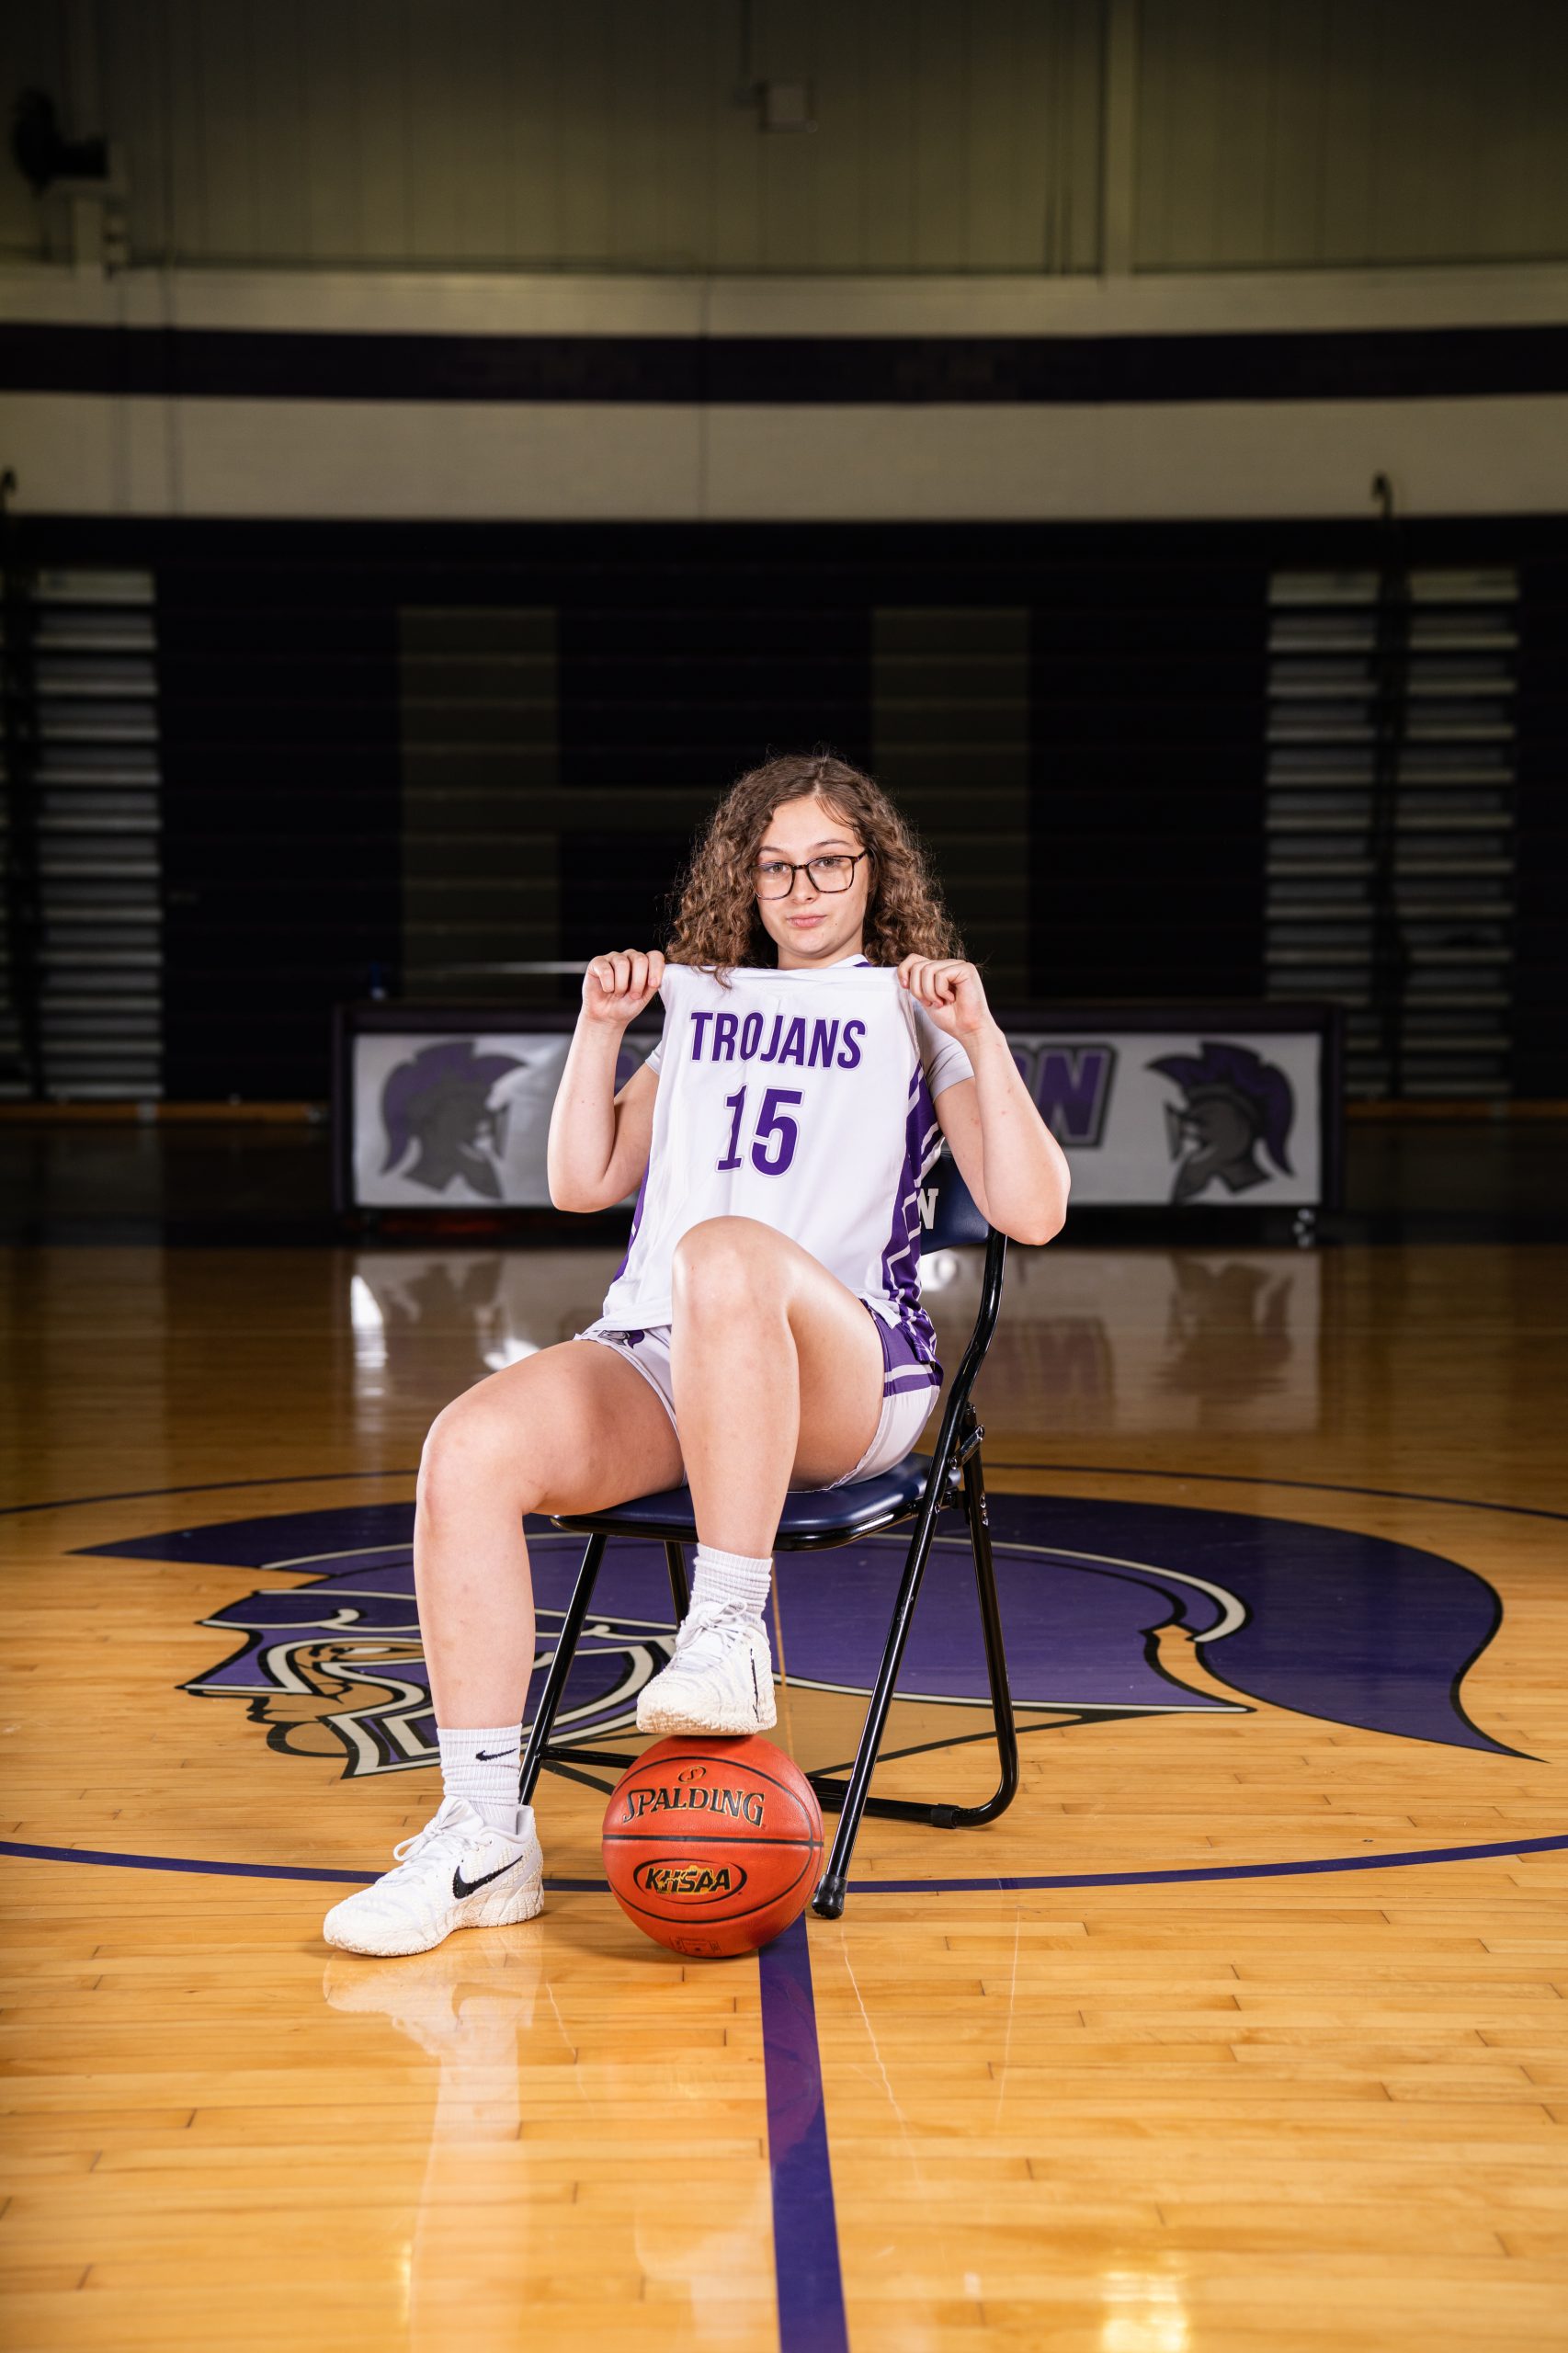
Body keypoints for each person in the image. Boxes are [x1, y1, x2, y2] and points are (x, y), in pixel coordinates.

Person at [324, 751, 1070, 1956]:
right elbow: (581, 1182)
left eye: (829, 862)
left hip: (846, 1372)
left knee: (725, 1252)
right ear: (745, 880)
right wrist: (600, 1027)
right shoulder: (711, 1012)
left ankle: (726, 1635)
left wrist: (978, 1033)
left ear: (877, 872)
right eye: (775, 867)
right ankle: (481, 1835)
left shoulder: (912, 1013)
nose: (802, 889)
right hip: (673, 1360)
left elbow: (1032, 1213)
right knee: (466, 1451)